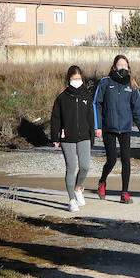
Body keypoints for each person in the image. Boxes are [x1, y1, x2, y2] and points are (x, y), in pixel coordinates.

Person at [92, 54, 140, 203]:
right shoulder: (105, 82)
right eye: (120, 65)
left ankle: (124, 193)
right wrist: (97, 126)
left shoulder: (132, 85)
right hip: (108, 128)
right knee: (111, 160)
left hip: (125, 128)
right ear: (114, 67)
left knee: (126, 160)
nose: (122, 67)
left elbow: (138, 109)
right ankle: (102, 182)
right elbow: (96, 104)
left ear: (128, 68)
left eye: (125, 65)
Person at [49, 64, 93, 212]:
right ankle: (71, 200)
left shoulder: (87, 95)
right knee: (71, 167)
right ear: (68, 80)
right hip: (67, 137)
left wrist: (92, 135)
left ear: (82, 79)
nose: (77, 81)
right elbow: (55, 118)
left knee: (85, 166)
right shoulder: (62, 98)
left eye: (79, 78)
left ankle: (78, 188)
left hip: (84, 136)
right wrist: (55, 136)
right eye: (74, 79)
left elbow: (90, 117)